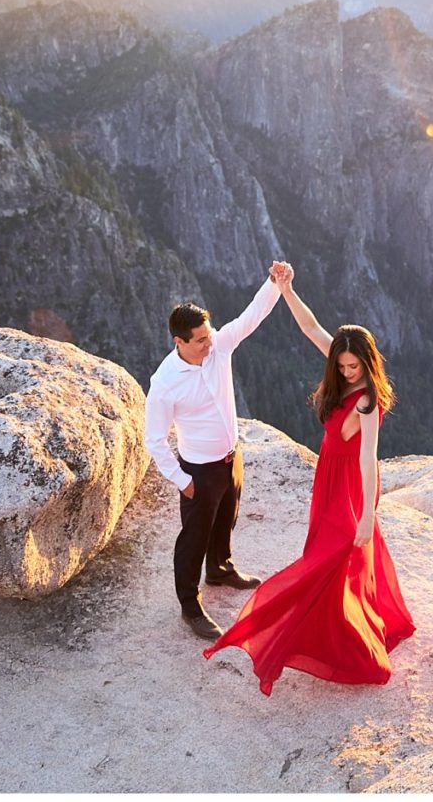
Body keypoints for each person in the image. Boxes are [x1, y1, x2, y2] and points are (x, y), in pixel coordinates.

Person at [203, 266, 415, 694]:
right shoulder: (339, 372)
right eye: (342, 364)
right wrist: (286, 290)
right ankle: (338, 627)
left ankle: (324, 642)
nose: (348, 371)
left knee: (325, 562)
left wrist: (366, 516)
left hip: (350, 488)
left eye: (355, 365)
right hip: (327, 480)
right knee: (330, 560)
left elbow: (369, 460)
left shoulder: (367, 402)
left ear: (368, 362)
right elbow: (311, 327)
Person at [145, 262, 289, 642]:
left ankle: (220, 568)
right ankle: (190, 604)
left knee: (227, 516)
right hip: (198, 471)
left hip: (230, 457)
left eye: (209, 336)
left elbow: (249, 317)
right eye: (200, 340)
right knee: (193, 538)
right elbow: (154, 440)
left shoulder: (220, 347)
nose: (210, 344)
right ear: (179, 342)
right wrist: (182, 481)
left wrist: (274, 284)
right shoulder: (164, 385)